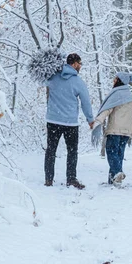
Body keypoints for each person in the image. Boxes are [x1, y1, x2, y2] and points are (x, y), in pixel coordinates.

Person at [44, 53, 94, 189]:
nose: (80, 67)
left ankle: (48, 179)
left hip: (53, 120)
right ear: (74, 64)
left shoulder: (53, 77)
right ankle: (71, 179)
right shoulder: (78, 82)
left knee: (51, 150)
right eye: (80, 64)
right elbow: (85, 102)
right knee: (72, 151)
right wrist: (90, 119)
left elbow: (41, 79)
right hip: (70, 123)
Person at [91, 72, 132, 185]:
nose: (113, 81)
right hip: (126, 131)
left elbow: (107, 110)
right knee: (119, 155)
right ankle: (114, 181)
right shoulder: (130, 96)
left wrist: (97, 122)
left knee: (111, 152)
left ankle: (117, 172)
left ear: (119, 80)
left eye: (115, 79)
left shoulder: (116, 94)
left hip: (115, 129)